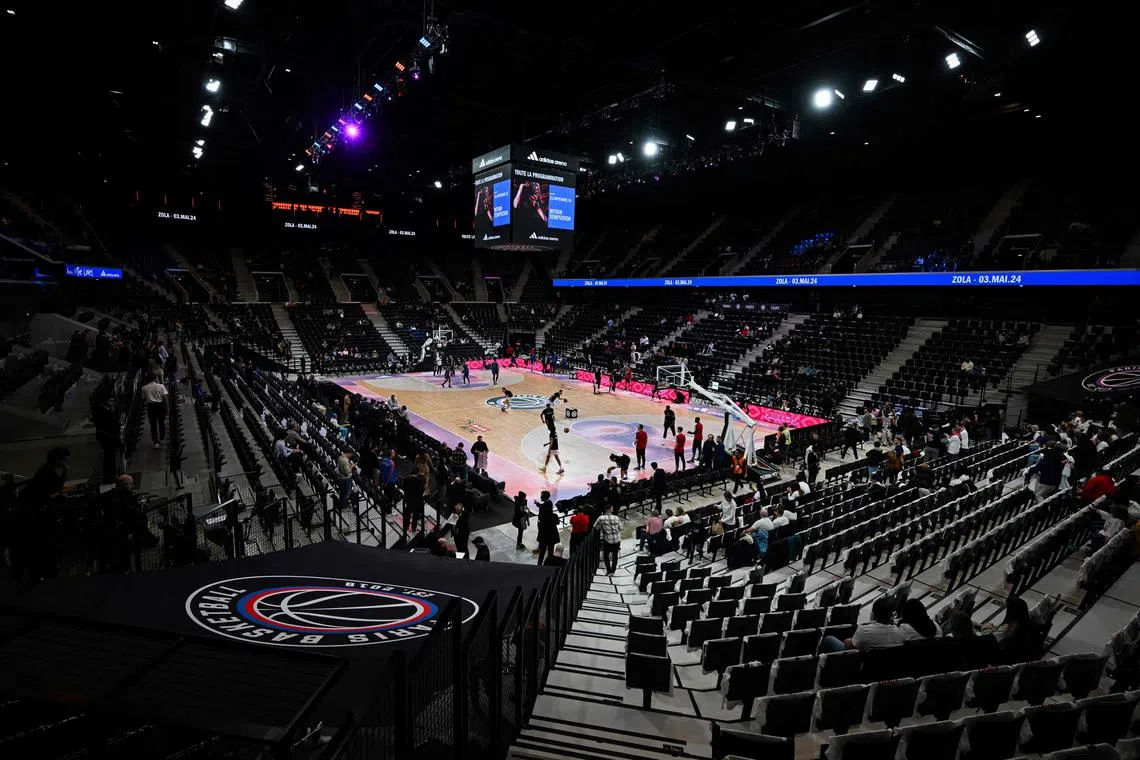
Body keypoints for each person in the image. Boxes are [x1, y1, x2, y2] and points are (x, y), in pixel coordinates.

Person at [821, 595, 906, 652]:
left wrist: (847, 640)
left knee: (829, 639)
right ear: (891, 614)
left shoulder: (865, 630)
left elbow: (850, 646)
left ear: (874, 614)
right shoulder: (900, 632)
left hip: (862, 664)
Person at [141, 374, 168, 450]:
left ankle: (156, 442)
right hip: (160, 406)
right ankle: (162, 438)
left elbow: (143, 398)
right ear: (155, 378)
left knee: (153, 425)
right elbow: (165, 398)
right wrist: (167, 408)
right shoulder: (161, 386)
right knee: (161, 422)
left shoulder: (144, 388)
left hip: (151, 407)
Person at [596, 505, 622, 575]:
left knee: (606, 556)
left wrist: (603, 528)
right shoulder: (616, 517)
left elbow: (596, 527)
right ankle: (613, 571)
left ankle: (608, 571)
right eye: (612, 508)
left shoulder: (601, 518)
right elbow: (620, 528)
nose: (613, 509)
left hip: (607, 541)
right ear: (610, 509)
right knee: (615, 556)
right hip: (616, 540)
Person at [536, 492, 559, 565]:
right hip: (551, 533)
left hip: (545, 533)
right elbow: (544, 507)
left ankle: (539, 564)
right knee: (550, 550)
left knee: (542, 550)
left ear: (544, 497)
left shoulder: (544, 511)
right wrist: (539, 505)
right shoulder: (549, 503)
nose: (540, 498)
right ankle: (549, 563)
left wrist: (540, 506)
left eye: (541, 496)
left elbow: (541, 515)